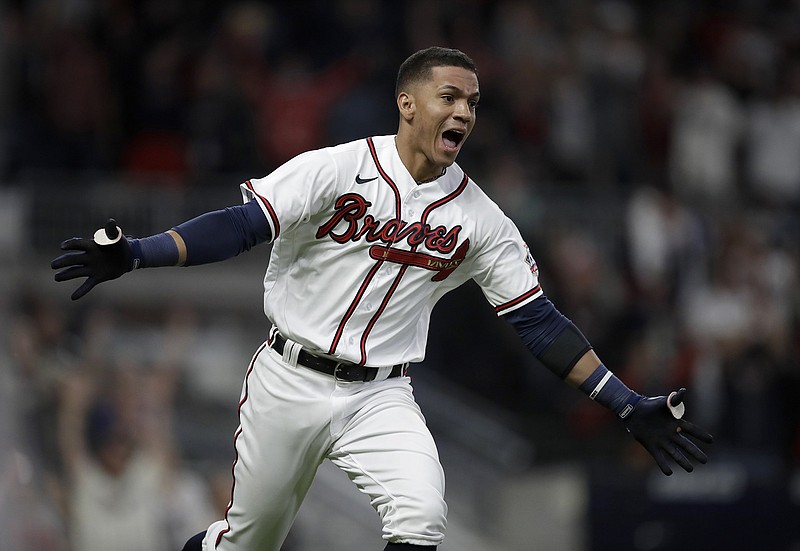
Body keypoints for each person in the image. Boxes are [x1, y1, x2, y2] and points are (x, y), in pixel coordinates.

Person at [51, 47, 713, 551]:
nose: (463, 112)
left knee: (422, 514)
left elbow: (539, 322)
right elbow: (240, 225)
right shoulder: (336, 168)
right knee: (247, 542)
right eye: (449, 96)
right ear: (407, 104)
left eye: (473, 102)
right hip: (289, 377)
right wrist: (139, 251)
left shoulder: (481, 219)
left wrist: (624, 399)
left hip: (380, 394)